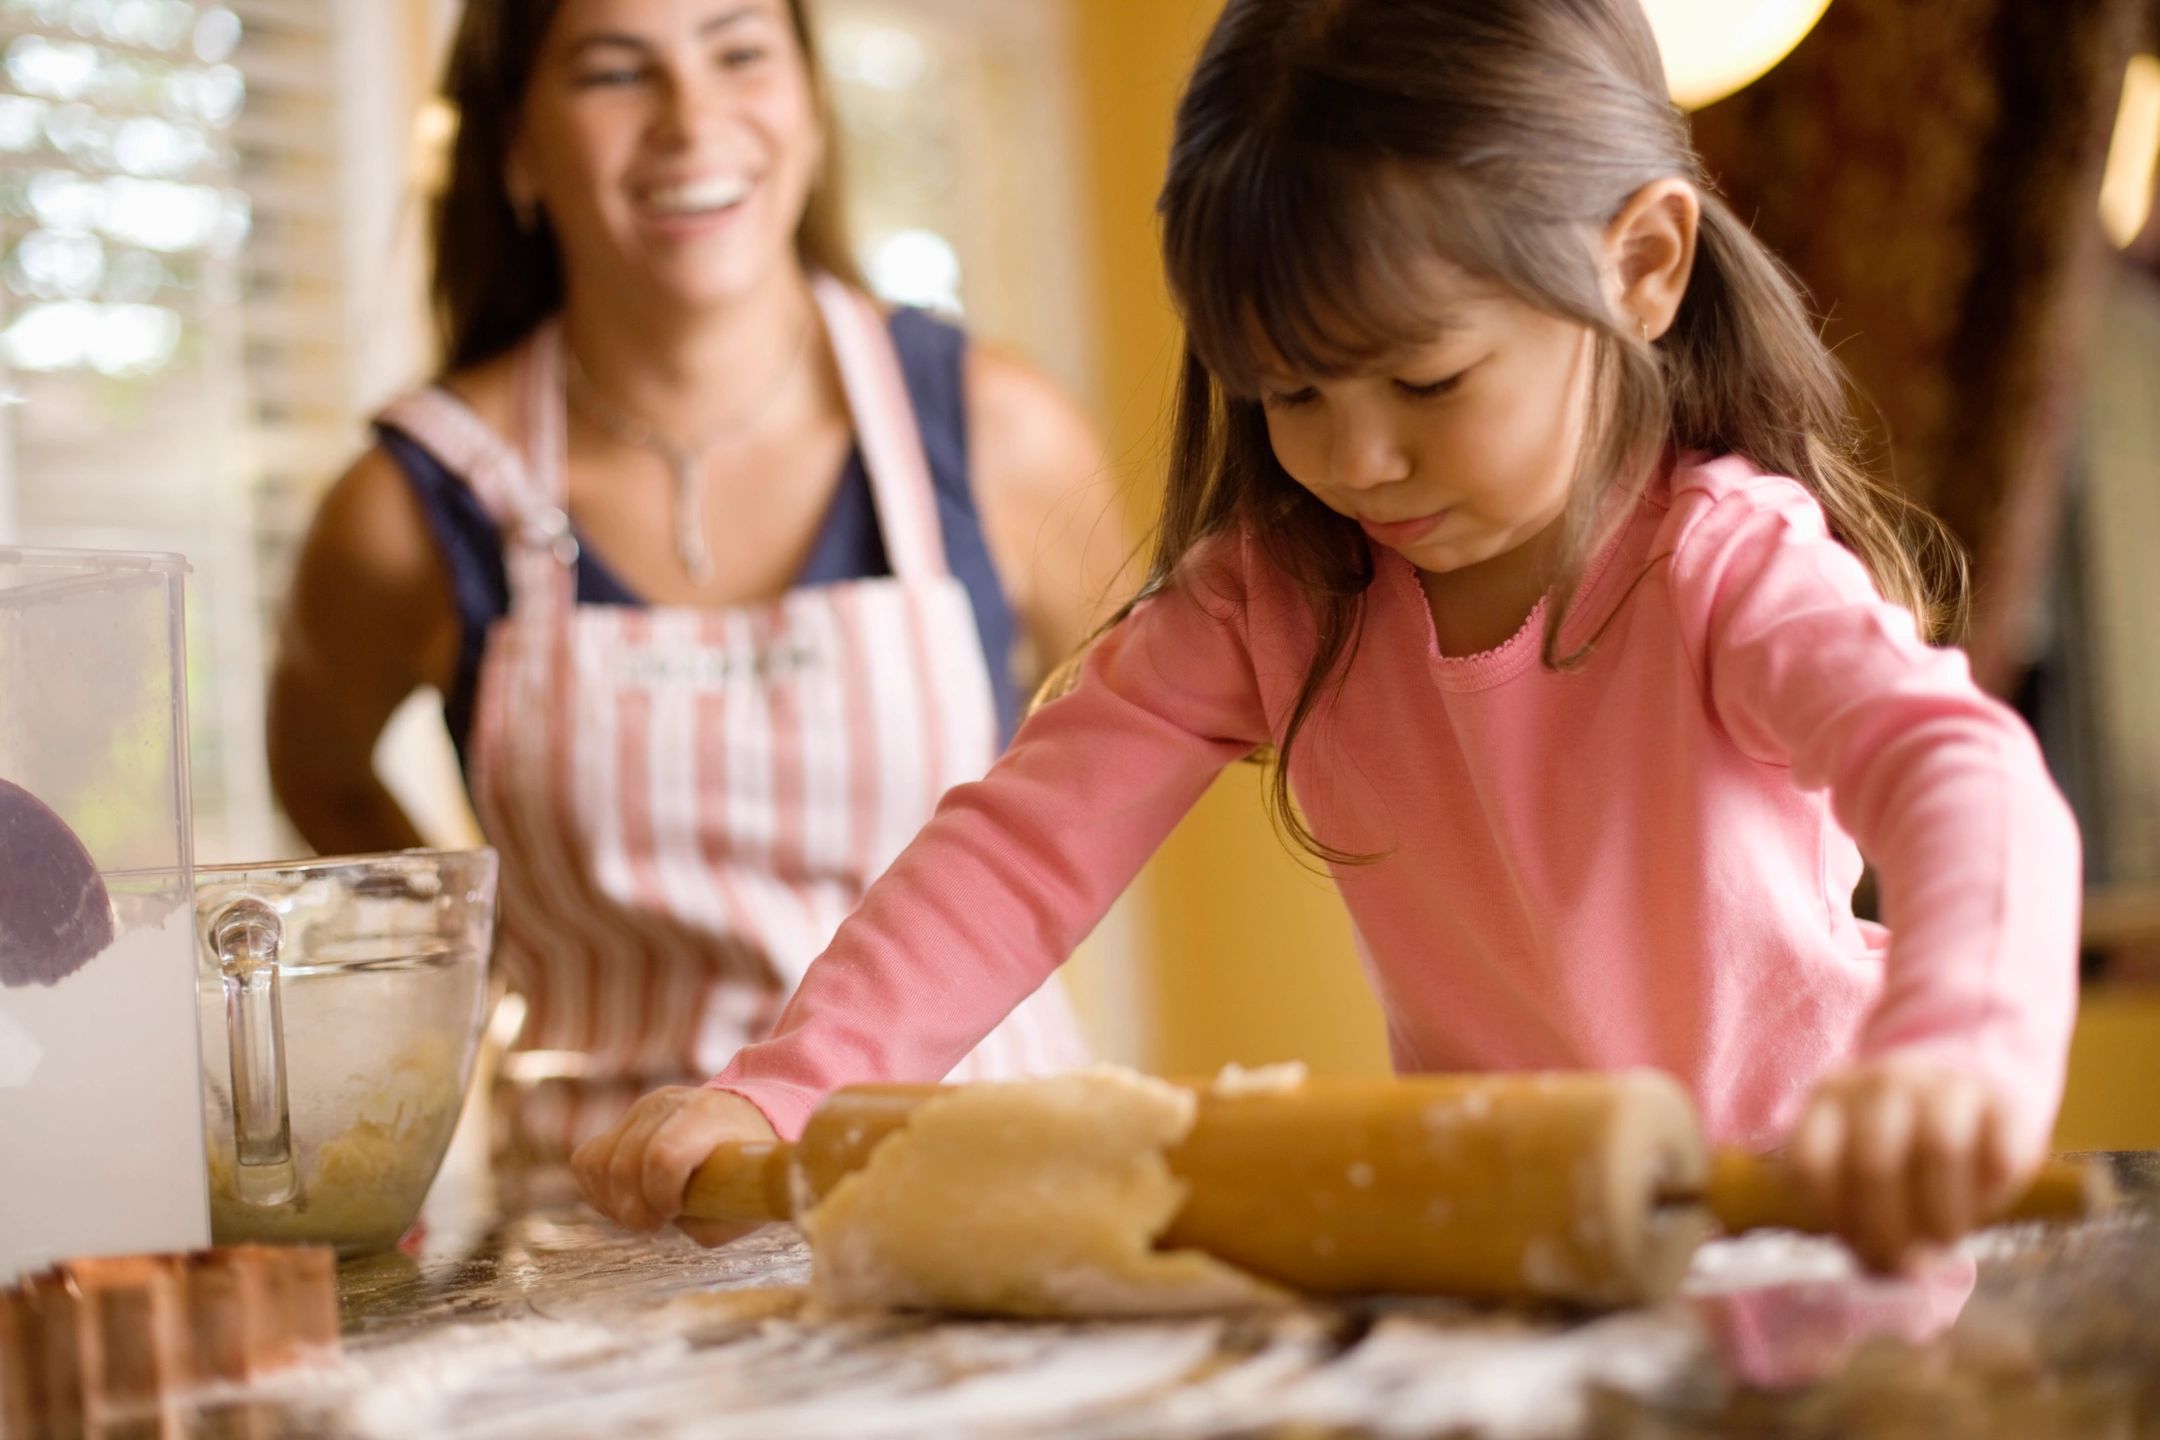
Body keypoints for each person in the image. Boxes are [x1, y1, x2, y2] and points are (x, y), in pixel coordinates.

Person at [574, 0, 2081, 1270]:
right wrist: (790, 1090)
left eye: (1425, 384)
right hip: (1520, 1251)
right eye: (1291, 394)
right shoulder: (1277, 595)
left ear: (1641, 268)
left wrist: (1957, 1052)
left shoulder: (1719, 565)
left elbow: (1962, 774)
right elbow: (1018, 853)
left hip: (1821, 1238)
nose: (1356, 461)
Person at [267, 0, 1117, 1158]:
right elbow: (321, 773)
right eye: (617, 72)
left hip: (989, 1170)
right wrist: (467, 972)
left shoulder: (997, 431)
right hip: (604, 1218)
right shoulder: (408, 508)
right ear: (515, 146)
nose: (692, 118)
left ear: (811, 108)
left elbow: (1125, 760)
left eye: (739, 53)